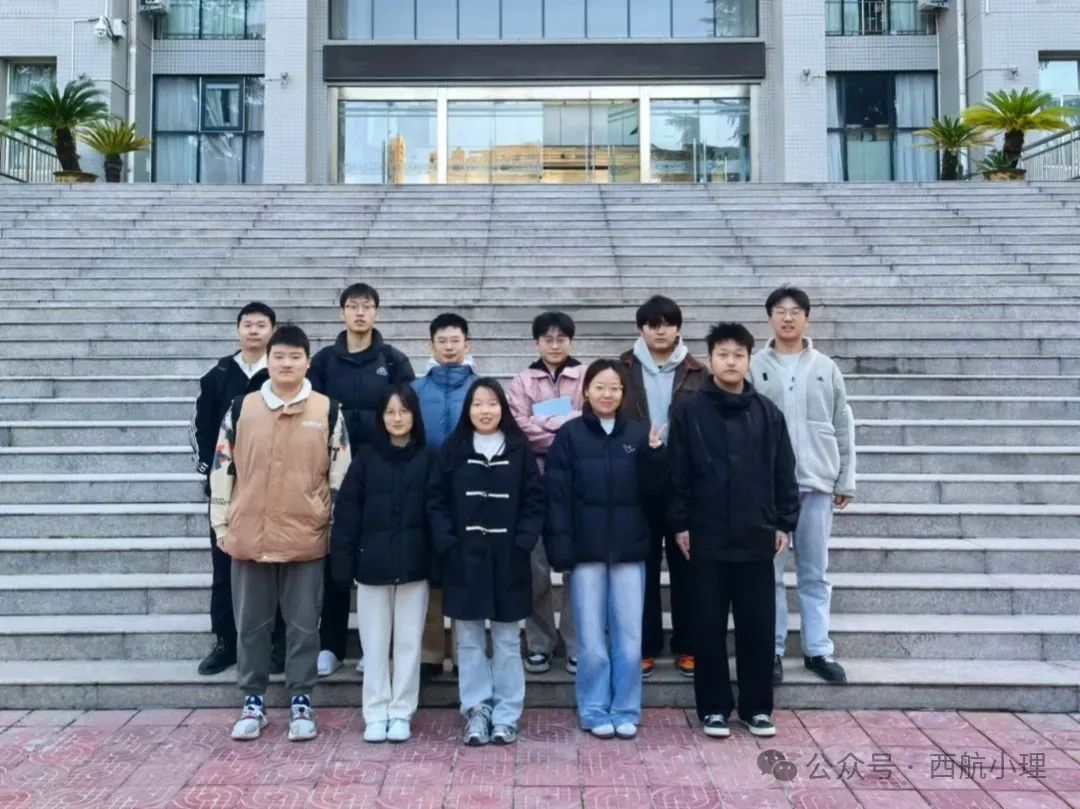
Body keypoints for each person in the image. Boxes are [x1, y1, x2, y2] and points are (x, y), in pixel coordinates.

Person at [210, 325, 351, 742]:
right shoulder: (242, 408)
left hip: (306, 534)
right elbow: (222, 468)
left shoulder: (327, 410)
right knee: (251, 624)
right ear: (267, 361)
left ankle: (301, 699)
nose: (286, 364)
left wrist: (332, 525)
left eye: (295, 357)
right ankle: (253, 700)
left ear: (307, 362)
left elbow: (340, 474)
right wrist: (221, 522)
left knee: (304, 625)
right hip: (249, 533)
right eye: (279, 356)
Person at [667, 322, 799, 740]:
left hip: (755, 535)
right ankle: (713, 708)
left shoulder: (767, 413)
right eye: (722, 354)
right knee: (707, 626)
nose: (730, 362)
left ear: (748, 360)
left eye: (738, 355)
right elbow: (677, 471)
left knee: (757, 626)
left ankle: (757, 707)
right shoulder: (688, 411)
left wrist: (784, 521)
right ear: (710, 360)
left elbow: (783, 471)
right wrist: (680, 523)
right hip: (704, 536)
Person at [544, 359, 665, 740]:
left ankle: (626, 708)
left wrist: (656, 458)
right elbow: (557, 496)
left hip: (629, 550)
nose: (607, 394)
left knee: (629, 638)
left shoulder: (638, 434)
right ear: (586, 391)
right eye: (600, 387)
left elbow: (654, 496)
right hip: (586, 551)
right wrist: (561, 547)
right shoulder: (569, 435)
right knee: (591, 640)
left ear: (624, 393)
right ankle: (594, 708)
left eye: (615, 387)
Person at [427, 378, 545, 747]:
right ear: (468, 409)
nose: (485, 410)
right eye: (477, 403)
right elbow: (436, 500)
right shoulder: (453, 449)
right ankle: (476, 709)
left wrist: (523, 542)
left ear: (502, 408)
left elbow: (534, 500)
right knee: (469, 640)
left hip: (509, 559)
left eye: (492, 403)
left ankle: (507, 713)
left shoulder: (519, 449)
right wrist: (449, 543)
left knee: (508, 640)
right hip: (464, 559)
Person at [749, 286, 856, 685]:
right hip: (767, 488)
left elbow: (843, 423)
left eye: (795, 311)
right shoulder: (753, 365)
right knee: (768, 573)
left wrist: (846, 478)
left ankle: (818, 649)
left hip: (816, 483)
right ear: (770, 317)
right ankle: (772, 650)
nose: (788, 317)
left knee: (814, 571)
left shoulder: (826, 367)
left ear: (807, 318)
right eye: (780, 310)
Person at [308, 283, 415, 678]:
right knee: (337, 553)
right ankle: (331, 645)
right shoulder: (323, 361)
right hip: (331, 470)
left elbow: (407, 412)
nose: (359, 313)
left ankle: (377, 647)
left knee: (378, 555)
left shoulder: (394, 360)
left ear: (376, 313)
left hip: (379, 470)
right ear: (341, 313)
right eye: (352, 306)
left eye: (366, 306)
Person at [330, 383, 433, 744]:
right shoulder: (365, 460)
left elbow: (437, 515)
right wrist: (343, 563)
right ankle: (375, 712)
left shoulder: (428, 459)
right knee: (374, 645)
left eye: (403, 411)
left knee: (409, 644)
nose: (397, 418)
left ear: (415, 415)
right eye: (390, 412)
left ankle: (401, 711)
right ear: (381, 417)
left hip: (415, 566)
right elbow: (347, 517)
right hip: (371, 566)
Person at [189, 301, 284, 676]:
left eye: (261, 325)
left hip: (275, 487)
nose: (254, 331)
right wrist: (212, 472)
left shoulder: (282, 373)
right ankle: (226, 642)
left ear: (272, 331)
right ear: (238, 330)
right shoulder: (217, 376)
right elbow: (201, 428)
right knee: (224, 564)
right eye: (248, 324)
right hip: (227, 489)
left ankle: (277, 641)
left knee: (277, 564)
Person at [620, 295, 706, 678]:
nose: (660, 331)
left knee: (688, 566)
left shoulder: (697, 372)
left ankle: (688, 644)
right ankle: (645, 645)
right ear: (641, 328)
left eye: (667, 324)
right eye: (652, 324)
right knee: (644, 565)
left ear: (677, 328)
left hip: (684, 481)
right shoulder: (622, 368)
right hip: (637, 479)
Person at [507, 311, 584, 676]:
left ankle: (576, 642)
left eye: (561, 339)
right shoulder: (522, 381)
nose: (555, 345)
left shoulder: (586, 377)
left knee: (576, 566)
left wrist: (545, 423)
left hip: (577, 482)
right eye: (548, 339)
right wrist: (565, 433)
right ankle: (539, 642)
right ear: (536, 343)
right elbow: (519, 426)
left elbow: (589, 418)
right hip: (534, 481)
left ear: (571, 341)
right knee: (534, 567)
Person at [411, 312, 477, 679]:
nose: (449, 347)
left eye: (455, 341)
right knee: (429, 574)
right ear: (431, 346)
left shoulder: (481, 389)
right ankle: (430, 654)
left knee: (466, 572)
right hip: (427, 492)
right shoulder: (416, 390)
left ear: (467, 344)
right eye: (442, 341)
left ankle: (466, 654)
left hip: (472, 493)